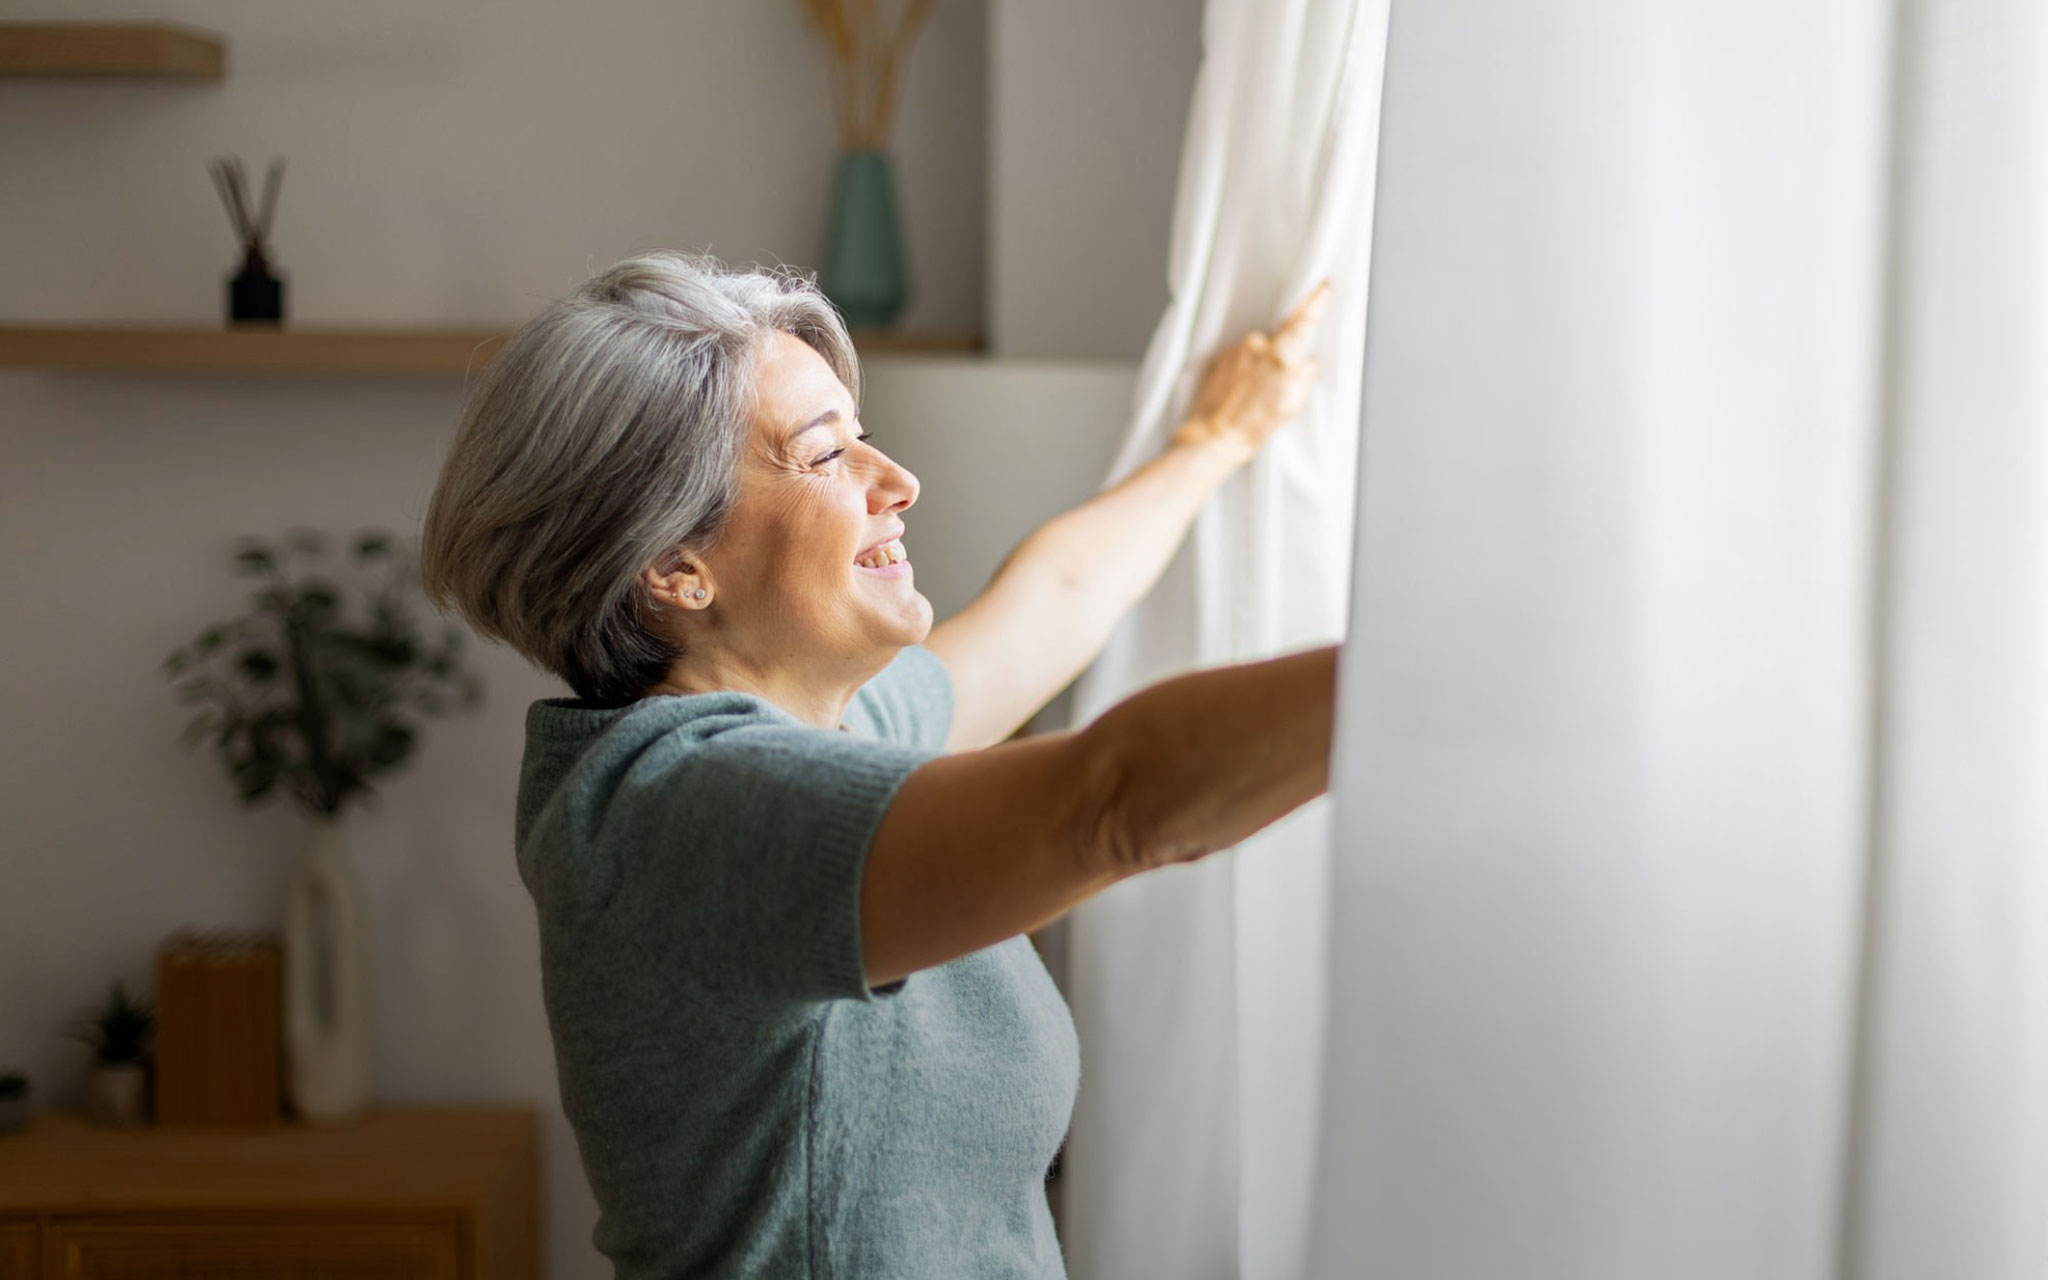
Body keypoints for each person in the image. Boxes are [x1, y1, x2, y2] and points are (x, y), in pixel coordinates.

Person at [420, 251, 1337, 1279]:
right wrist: (1432, 670)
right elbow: (1117, 797)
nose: (895, 481)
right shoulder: (683, 810)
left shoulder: (831, 735)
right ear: (674, 563)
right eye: (826, 455)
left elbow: (1055, 598)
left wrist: (1217, 438)